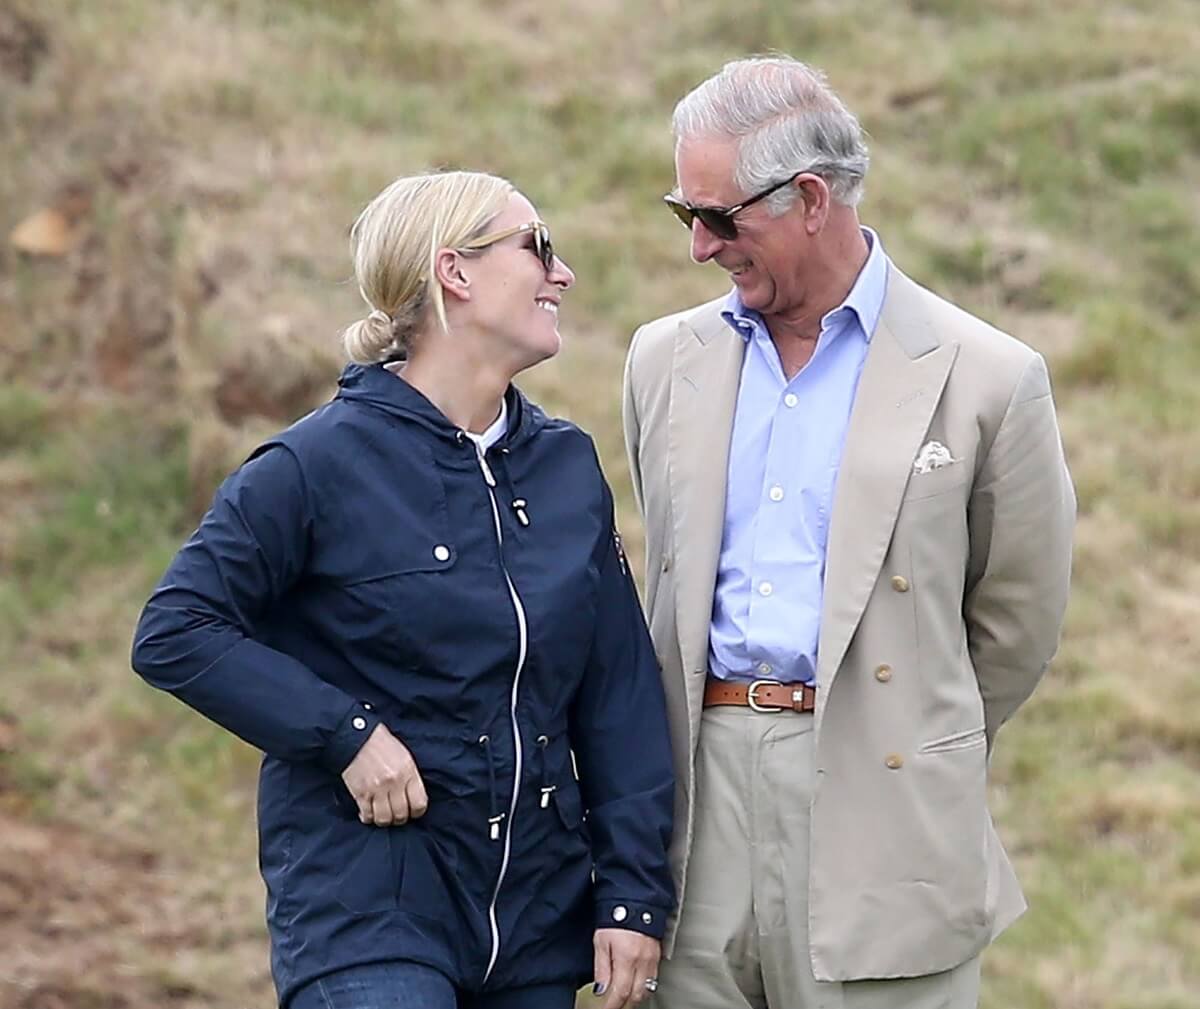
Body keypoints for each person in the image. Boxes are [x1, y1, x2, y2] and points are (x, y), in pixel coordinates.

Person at [132, 170, 674, 1009]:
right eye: (538, 247)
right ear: (453, 271)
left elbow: (619, 695)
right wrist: (345, 733)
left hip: (533, 921)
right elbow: (177, 627)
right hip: (367, 912)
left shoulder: (568, 467)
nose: (561, 273)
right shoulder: (316, 465)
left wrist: (633, 892)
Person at [622, 56, 1075, 1009]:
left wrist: (908, 724)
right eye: (684, 214)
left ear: (810, 199)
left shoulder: (991, 376)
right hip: (695, 817)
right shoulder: (662, 360)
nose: (700, 247)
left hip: (888, 831)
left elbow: (1018, 618)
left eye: (717, 218)